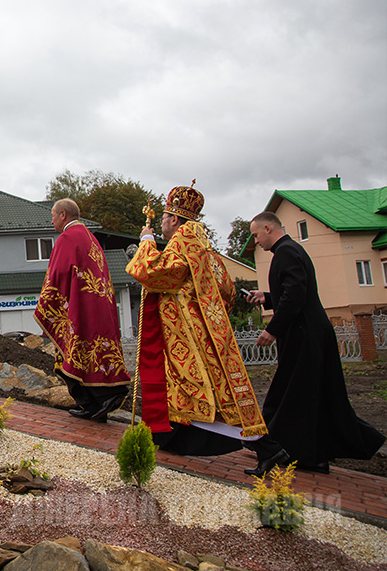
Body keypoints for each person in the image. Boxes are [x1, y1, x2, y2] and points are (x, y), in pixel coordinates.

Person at [126, 183, 287, 477]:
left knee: (206, 397)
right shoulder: (206, 248)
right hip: (205, 335)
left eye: (163, 217)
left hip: (188, 340)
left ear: (174, 219)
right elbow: (226, 291)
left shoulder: (181, 246)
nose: (161, 223)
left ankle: (268, 448)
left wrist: (146, 242)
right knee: (205, 394)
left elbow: (149, 272)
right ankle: (167, 440)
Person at [248, 212, 385, 473]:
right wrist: (266, 297)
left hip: (304, 334)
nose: (256, 242)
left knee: (289, 395)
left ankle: (273, 448)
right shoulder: (290, 250)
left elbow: (296, 296)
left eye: (256, 235)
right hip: (309, 331)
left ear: (268, 228)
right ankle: (313, 457)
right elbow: (294, 293)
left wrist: (273, 330)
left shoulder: (286, 252)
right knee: (312, 395)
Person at [34, 198, 130, 423]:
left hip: (80, 308)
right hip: (98, 306)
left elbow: (57, 274)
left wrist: (46, 304)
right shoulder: (90, 237)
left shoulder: (67, 238)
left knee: (74, 352)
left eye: (53, 215)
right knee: (95, 352)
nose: (52, 221)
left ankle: (96, 400)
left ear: (63, 216)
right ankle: (95, 405)